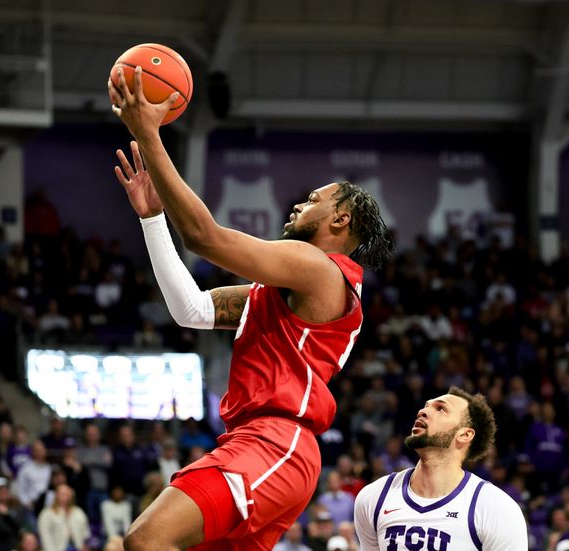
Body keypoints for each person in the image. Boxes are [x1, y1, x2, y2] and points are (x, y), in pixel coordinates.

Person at [108, 65, 392, 551]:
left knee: (146, 539)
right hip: (258, 442)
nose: (297, 206)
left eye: (312, 201)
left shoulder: (320, 268)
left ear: (340, 219)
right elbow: (192, 311)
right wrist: (153, 219)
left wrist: (149, 136)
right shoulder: (283, 293)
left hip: (275, 441)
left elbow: (204, 238)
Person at [354, 387, 527, 550]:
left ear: (465, 434)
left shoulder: (496, 509)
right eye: (426, 406)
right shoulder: (373, 497)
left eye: (440, 409)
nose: (423, 411)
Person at [37, 484, 91, 551]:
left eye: (68, 494)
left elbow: (86, 533)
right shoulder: (46, 514)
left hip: (77, 547)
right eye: (62, 494)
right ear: (56, 495)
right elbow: (45, 537)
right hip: (56, 548)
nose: (66, 497)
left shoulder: (78, 512)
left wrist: (84, 545)